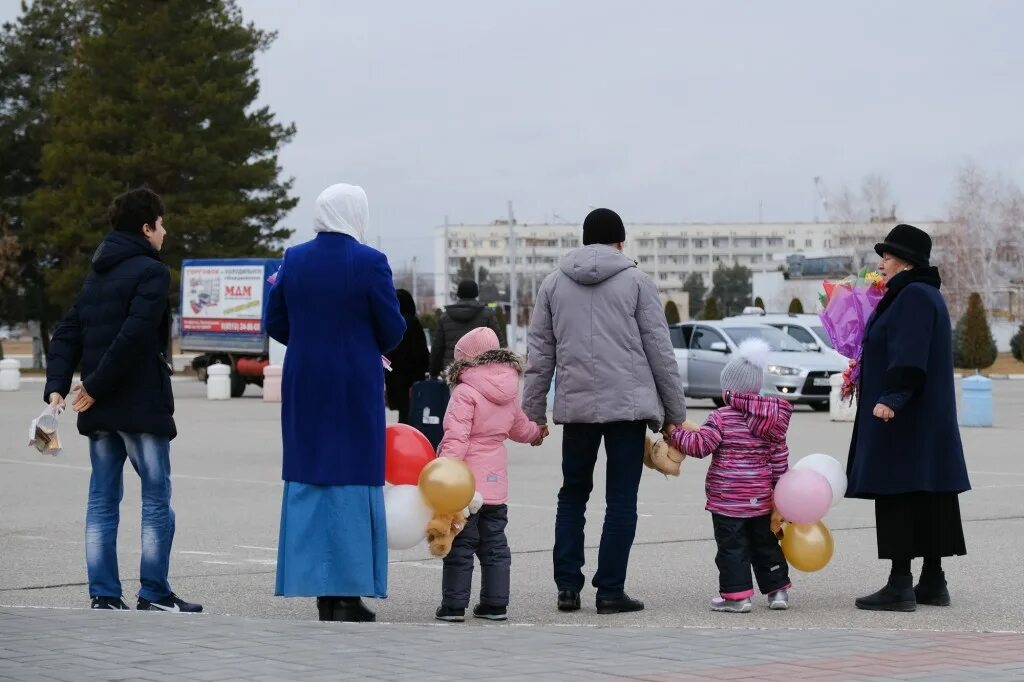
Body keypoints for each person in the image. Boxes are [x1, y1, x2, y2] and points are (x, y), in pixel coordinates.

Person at [522, 207, 686, 615]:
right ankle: (610, 591)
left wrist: (534, 414)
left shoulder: (552, 285)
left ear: (583, 240)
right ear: (621, 241)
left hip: (576, 409)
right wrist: (674, 413)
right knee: (621, 499)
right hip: (627, 412)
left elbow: (540, 355)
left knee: (572, 494)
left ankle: (567, 587)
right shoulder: (637, 282)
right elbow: (660, 352)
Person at [44, 187, 202, 613]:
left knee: (101, 499)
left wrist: (58, 384)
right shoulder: (151, 273)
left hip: (100, 410)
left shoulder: (97, 273)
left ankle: (104, 596)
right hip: (137, 404)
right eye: (161, 224)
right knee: (155, 500)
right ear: (146, 227)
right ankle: (153, 593)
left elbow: (69, 331)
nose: (165, 232)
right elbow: (134, 336)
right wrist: (93, 385)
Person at [264, 183, 406, 623]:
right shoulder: (370, 261)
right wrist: (358, 344)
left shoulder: (294, 258)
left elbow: (274, 320)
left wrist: (310, 340)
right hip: (354, 381)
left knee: (311, 472)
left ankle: (320, 591)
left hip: (305, 377)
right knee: (353, 474)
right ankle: (347, 592)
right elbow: (393, 327)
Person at [847, 223, 970, 612]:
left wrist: (893, 397)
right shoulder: (922, 293)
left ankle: (900, 583)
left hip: (903, 417)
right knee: (929, 491)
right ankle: (932, 581)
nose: (881, 262)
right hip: (923, 418)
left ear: (906, 261)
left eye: (887, 255)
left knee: (898, 492)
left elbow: (910, 354)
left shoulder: (913, 296)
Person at [666, 339, 793, 613]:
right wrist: (782, 492)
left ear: (728, 390)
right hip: (760, 499)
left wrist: (674, 433)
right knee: (765, 544)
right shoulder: (771, 420)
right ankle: (778, 591)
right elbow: (779, 459)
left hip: (727, 502)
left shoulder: (721, 417)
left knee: (732, 548)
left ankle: (737, 598)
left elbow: (701, 446)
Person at [433, 327, 544, 623]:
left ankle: (454, 606)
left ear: (465, 361)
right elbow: (520, 428)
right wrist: (536, 433)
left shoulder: (465, 391)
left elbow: (457, 437)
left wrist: (445, 471)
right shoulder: (508, 392)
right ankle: (495, 604)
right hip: (496, 488)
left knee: (461, 545)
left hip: (466, 488)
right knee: (494, 545)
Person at [429, 279, 505, 377]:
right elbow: (499, 344)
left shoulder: (446, 316)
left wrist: (433, 373)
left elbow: (437, 348)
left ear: (458, 294)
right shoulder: (487, 315)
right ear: (476, 293)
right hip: (481, 370)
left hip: (452, 371)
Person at [385, 289, 430, 424]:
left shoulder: (390, 322)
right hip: (412, 377)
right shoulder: (413, 322)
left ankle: (401, 438)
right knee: (412, 412)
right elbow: (420, 351)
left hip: (394, 376)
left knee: (402, 412)